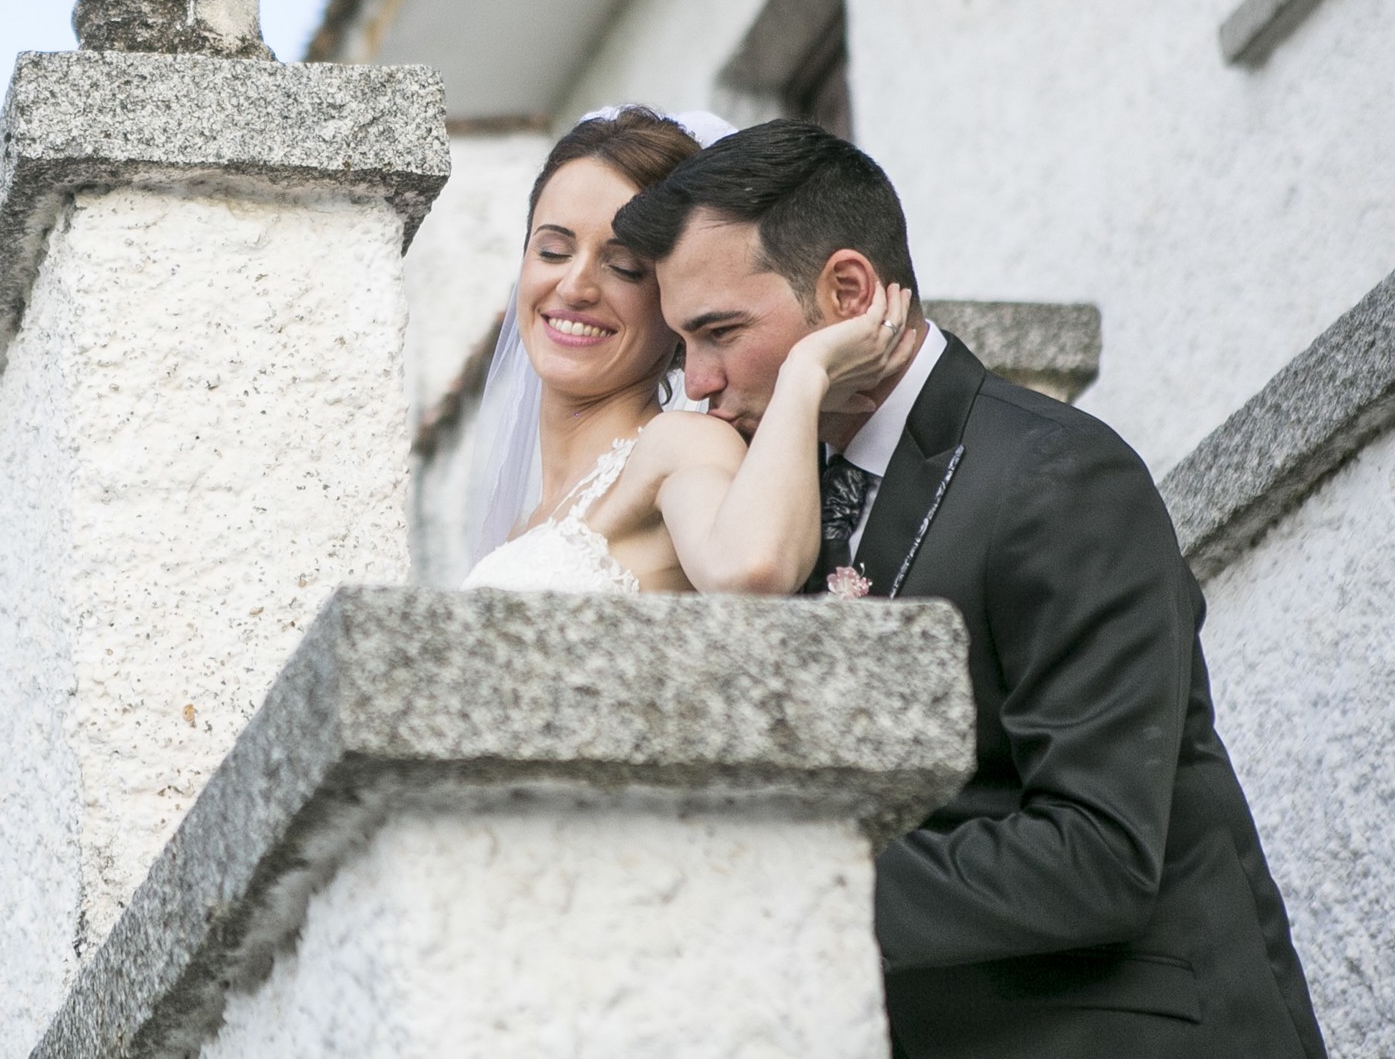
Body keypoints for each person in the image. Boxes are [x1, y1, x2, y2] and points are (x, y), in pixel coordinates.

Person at [610, 118, 1327, 1058]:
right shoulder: (778, 506)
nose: (696, 382)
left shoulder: (1058, 474)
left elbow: (1098, 853)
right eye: (683, 345)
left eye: (719, 333)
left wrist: (786, 882)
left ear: (849, 290)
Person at [461, 106, 916, 594]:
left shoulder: (682, 445)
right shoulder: (524, 525)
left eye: (624, 267)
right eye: (552, 251)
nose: (574, 286)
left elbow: (752, 569)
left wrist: (805, 374)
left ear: (673, 303)